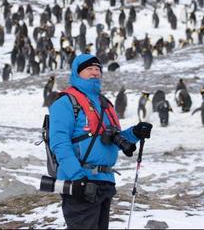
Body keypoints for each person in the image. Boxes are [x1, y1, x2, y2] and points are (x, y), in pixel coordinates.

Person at [49, 54, 152, 229]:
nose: (95, 72)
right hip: (80, 182)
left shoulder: (104, 103)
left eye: (98, 69)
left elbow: (112, 139)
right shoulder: (66, 102)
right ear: (77, 72)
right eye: (89, 69)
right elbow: (60, 144)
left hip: (105, 182)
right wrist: (78, 178)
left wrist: (135, 133)